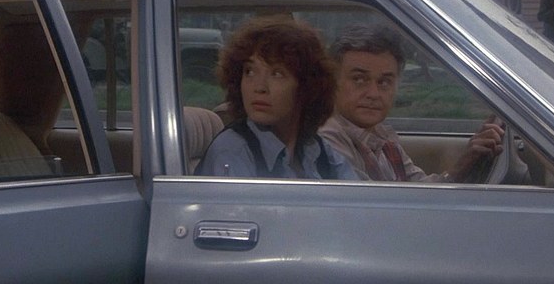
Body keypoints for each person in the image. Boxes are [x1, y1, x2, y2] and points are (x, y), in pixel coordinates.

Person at [319, 24, 507, 183]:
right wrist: (458, 169)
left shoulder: (381, 136)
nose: (373, 94)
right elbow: (370, 205)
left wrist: (467, 162)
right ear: (333, 81)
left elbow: (418, 190)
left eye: (384, 82)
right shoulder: (327, 140)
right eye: (359, 80)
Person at [196, 16, 357, 179]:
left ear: (306, 86)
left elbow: (357, 191)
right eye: (249, 72)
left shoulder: (316, 150)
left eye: (277, 74)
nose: (259, 87)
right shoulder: (232, 151)